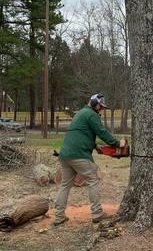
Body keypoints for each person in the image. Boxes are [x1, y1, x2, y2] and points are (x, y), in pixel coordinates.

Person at [54, 93, 125, 226]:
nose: (101, 109)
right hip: (78, 154)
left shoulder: (81, 113)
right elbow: (101, 132)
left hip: (65, 155)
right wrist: (117, 144)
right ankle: (97, 214)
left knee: (65, 185)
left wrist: (94, 145)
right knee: (93, 180)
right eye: (100, 106)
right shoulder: (91, 114)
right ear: (93, 103)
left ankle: (58, 216)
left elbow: (81, 132)